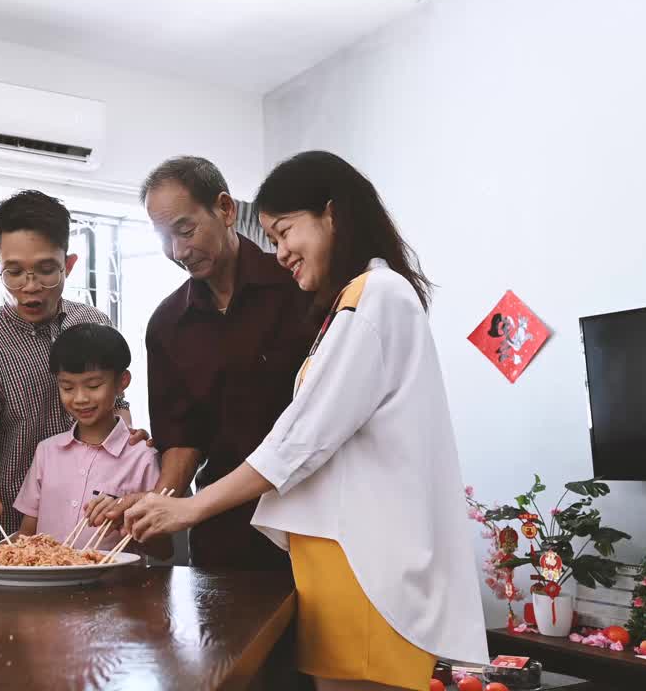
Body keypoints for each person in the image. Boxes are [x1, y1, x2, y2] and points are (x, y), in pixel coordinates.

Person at [125, 151, 488, 691]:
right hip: (296, 548)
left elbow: (299, 440)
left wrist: (188, 508)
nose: (282, 252)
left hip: (358, 555)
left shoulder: (367, 297)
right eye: (272, 239)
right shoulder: (352, 297)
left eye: (286, 232)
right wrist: (163, 500)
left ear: (331, 215)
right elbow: (196, 437)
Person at [91, 156, 317, 570]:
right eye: (164, 238)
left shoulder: (298, 288)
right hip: (224, 531)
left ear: (225, 209)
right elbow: (183, 438)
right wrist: (160, 504)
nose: (178, 251)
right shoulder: (167, 324)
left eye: (185, 229)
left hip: (312, 519)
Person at [0, 190, 141, 536]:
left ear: (69, 264)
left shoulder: (93, 323)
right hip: (15, 538)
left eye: (46, 270)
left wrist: (128, 445)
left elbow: (118, 408)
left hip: (98, 535)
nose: (30, 286)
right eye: (14, 272)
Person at [14, 323, 171, 558]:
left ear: (122, 382)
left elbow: (163, 550)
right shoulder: (47, 452)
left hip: (115, 590)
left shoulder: (143, 456)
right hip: (45, 589)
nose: (80, 398)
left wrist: (125, 517)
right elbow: (26, 537)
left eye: (93, 385)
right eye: (67, 387)